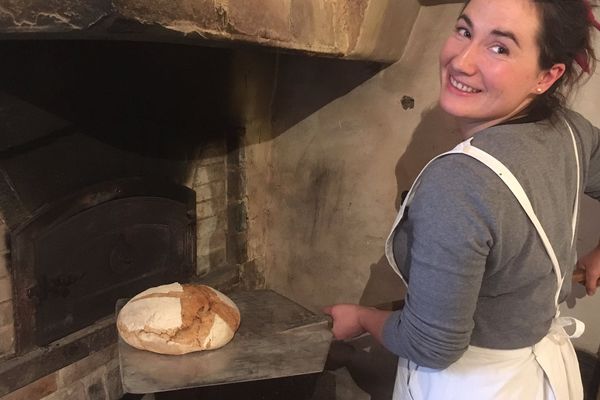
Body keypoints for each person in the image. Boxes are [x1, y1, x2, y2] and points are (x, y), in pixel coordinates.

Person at [324, 0, 600, 399]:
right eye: (465, 31)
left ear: (547, 75)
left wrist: (363, 317)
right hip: (544, 380)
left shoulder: (457, 183)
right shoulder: (568, 132)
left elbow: (431, 345)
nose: (462, 61)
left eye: (500, 47)